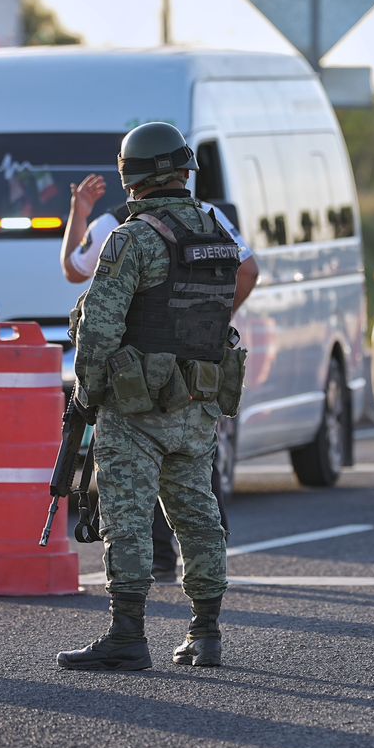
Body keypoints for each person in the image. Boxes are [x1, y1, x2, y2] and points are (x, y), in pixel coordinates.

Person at [58, 121, 247, 671]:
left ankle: (127, 633)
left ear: (130, 177)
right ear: (185, 170)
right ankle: (206, 631)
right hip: (198, 401)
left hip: (135, 408)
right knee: (198, 515)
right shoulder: (216, 232)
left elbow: (98, 331)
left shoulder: (132, 239)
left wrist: (84, 397)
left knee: (128, 516)